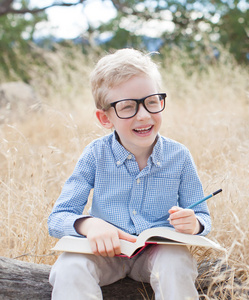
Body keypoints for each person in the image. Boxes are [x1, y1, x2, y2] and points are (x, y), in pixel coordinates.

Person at [47, 48, 211, 300]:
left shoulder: (179, 156)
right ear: (105, 118)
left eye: (152, 101)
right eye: (127, 107)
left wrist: (194, 223)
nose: (144, 115)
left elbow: (201, 215)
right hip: (105, 253)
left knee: (176, 261)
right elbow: (58, 218)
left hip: (158, 254)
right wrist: (91, 225)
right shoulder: (95, 155)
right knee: (69, 267)